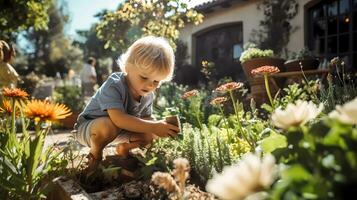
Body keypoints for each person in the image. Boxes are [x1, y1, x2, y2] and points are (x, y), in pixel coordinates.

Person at [73, 36, 180, 172]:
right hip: (90, 129)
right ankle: (95, 155)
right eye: (144, 77)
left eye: (156, 81)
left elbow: (147, 120)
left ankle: (123, 149)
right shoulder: (115, 84)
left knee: (149, 135)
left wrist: (161, 127)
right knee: (108, 125)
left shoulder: (147, 95)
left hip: (119, 132)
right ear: (128, 67)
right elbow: (119, 119)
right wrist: (154, 126)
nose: (149, 85)